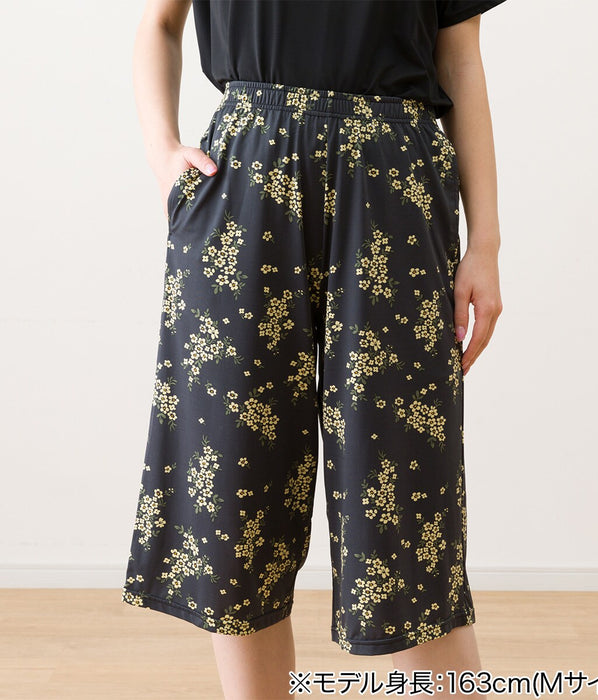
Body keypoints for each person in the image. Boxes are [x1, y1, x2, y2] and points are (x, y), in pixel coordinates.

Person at [121, 0, 506, 697]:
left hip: (394, 183)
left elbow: (461, 60)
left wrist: (486, 242)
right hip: (245, 180)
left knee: (407, 502)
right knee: (235, 490)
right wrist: (161, 149)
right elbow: (159, 22)